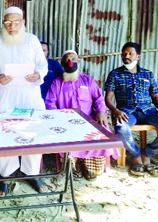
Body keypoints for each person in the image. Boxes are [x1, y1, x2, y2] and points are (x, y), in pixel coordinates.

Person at [0, 6, 48, 197]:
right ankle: (6, 176)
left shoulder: (32, 40)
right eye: (8, 23)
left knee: (33, 132)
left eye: (16, 23)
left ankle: (33, 174)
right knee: (4, 134)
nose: (12, 27)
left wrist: (37, 74)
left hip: (30, 95)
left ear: (23, 22)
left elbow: (42, 66)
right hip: (4, 95)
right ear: (3, 23)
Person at [105, 42, 158, 177]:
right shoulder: (115, 74)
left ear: (138, 56)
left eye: (130, 53)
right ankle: (136, 155)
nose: (126, 56)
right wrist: (116, 111)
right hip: (126, 112)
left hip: (148, 110)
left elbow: (155, 95)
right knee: (121, 129)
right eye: (124, 53)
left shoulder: (147, 74)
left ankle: (148, 153)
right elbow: (108, 98)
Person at [45, 50, 120, 180]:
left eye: (73, 59)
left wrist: (101, 112)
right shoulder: (56, 83)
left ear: (78, 62)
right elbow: (50, 103)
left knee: (101, 133)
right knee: (64, 135)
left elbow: (99, 99)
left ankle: (91, 166)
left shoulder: (88, 80)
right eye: (67, 60)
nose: (70, 62)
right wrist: (58, 119)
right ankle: (74, 165)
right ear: (62, 64)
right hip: (65, 121)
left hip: (88, 119)